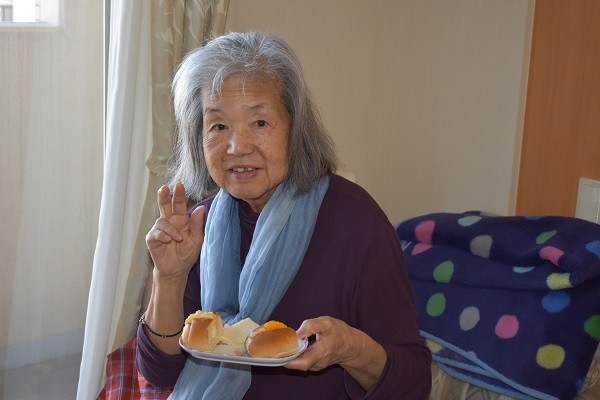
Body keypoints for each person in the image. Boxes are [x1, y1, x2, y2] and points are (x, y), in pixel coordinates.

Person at [136, 31, 431, 399]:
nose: (237, 147)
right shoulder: (199, 225)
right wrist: (169, 277)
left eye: (259, 123)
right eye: (218, 126)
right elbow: (159, 370)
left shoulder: (357, 224)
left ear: (296, 129)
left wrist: (350, 349)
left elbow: (414, 384)